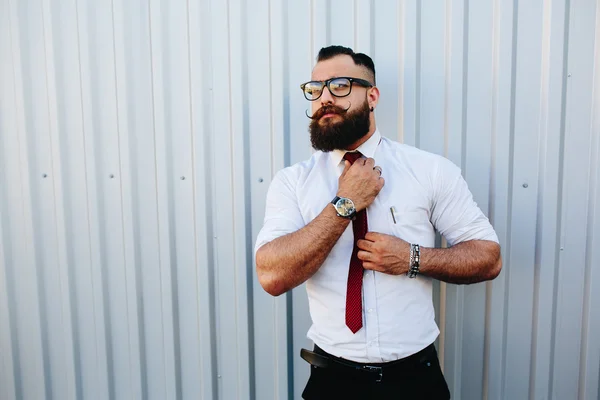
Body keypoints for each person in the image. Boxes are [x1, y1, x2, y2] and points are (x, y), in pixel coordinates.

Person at [254, 45, 502, 400]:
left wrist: (413, 259)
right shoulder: (292, 182)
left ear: (372, 96)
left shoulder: (428, 170)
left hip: (416, 380)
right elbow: (272, 276)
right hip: (331, 381)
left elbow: (488, 257)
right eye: (315, 89)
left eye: (339, 86)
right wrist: (345, 204)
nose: (324, 98)